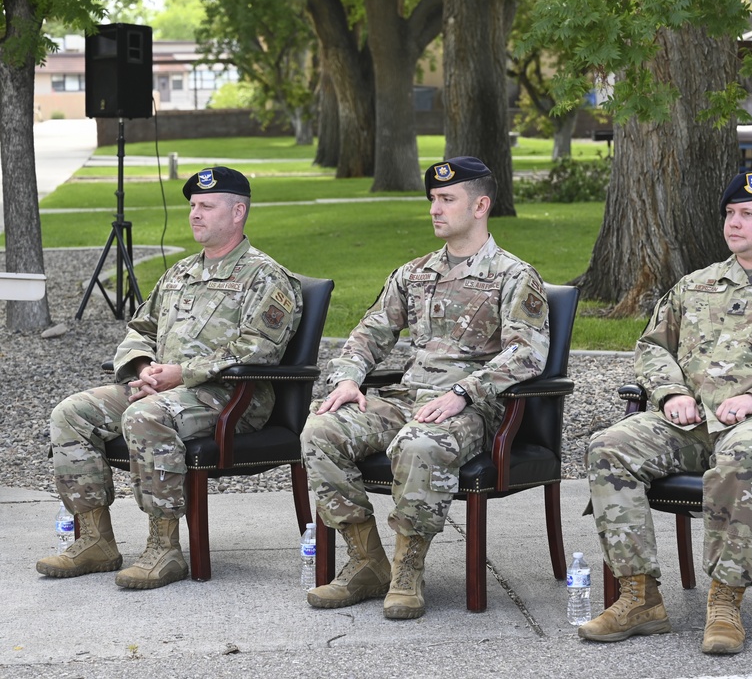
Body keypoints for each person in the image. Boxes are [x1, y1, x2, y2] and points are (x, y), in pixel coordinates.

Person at [579, 169, 752, 654]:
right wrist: (671, 393)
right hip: (688, 422)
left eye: (747, 213)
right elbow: (651, 347)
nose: (734, 223)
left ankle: (725, 602)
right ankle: (639, 596)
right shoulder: (696, 285)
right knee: (609, 445)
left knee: (744, 457)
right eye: (730, 213)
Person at [301, 156, 550, 620]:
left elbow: (527, 354)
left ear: (481, 206)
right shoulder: (413, 272)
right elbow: (367, 334)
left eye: (447, 199)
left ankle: (408, 567)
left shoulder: (514, 276)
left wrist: (463, 393)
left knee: (421, 443)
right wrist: (349, 379)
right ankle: (367, 560)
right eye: (433, 199)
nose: (435, 209)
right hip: (407, 399)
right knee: (320, 430)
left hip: (471, 409)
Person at [36, 166, 303, 590]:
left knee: (145, 416)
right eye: (193, 206)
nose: (195, 214)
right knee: (71, 413)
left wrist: (181, 374)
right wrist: (143, 369)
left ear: (238, 213)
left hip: (231, 398)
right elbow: (140, 329)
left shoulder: (266, 277)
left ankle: (164, 548)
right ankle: (94, 541)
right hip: (165, 390)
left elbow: (259, 349)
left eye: (207, 206)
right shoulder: (179, 274)